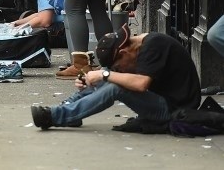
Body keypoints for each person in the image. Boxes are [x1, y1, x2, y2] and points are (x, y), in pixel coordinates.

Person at [31, 23, 201, 131]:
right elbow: (115, 74)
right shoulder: (140, 49)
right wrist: (91, 80)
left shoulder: (154, 46)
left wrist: (106, 74)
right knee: (107, 77)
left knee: (113, 83)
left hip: (175, 109)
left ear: (124, 52)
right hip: (162, 101)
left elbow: (141, 84)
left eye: (118, 66)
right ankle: (70, 108)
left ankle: (57, 116)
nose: (119, 69)